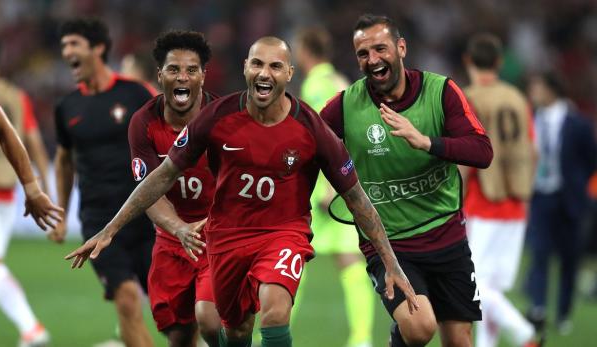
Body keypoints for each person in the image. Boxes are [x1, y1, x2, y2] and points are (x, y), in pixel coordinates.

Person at [66, 36, 419, 347]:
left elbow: (358, 200)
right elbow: (162, 176)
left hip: (284, 233)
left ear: (290, 74)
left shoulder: (311, 127)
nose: (265, 73)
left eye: (276, 66)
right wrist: (110, 229)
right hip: (228, 238)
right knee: (233, 332)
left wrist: (391, 263)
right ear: (245, 68)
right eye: (258, 64)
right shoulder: (216, 117)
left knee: (275, 310)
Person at [322, 14, 492, 347]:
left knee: (460, 340)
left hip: (446, 234)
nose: (372, 60)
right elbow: (306, 141)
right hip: (389, 243)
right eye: (363, 53)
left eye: (380, 49)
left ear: (401, 48)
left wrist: (427, 141)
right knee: (419, 327)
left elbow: (482, 151)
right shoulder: (346, 105)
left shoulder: (441, 91)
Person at [50, 17, 157, 347]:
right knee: (126, 299)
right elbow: (65, 161)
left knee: (175, 307)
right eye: (64, 45)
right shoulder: (67, 107)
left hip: (146, 218)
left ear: (98, 48)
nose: (66, 51)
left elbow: (172, 143)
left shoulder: (137, 93)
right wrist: (62, 214)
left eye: (74, 44)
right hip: (98, 222)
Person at [127, 30, 221, 347]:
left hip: (218, 239)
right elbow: (149, 191)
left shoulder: (225, 121)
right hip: (170, 242)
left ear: (203, 77)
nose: (182, 77)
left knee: (210, 320)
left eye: (191, 70)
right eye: (173, 69)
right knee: (179, 338)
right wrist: (179, 229)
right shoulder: (143, 123)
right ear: (160, 75)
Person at [293, 27, 375, 347]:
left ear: (304, 50)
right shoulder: (341, 81)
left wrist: (329, 187)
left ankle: (272, 334)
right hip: (346, 181)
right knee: (349, 262)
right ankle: (361, 339)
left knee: (293, 259)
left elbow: (329, 136)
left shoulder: (317, 85)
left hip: (325, 189)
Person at [461, 33, 541, 347]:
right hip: (517, 203)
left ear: (468, 61)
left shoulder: (469, 98)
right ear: (499, 62)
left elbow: (465, 158)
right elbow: (533, 152)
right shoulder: (518, 99)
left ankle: (525, 334)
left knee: (475, 286)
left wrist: (456, 202)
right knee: (491, 287)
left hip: (483, 203)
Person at [0, 34, 61, 347]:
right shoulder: (16, 96)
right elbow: (34, 143)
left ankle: (31, 328)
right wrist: (41, 187)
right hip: (7, 192)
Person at [524, 71, 597, 336]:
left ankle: (563, 311)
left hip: (569, 199)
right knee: (539, 253)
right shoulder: (532, 120)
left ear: (552, 89)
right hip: (541, 197)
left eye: (537, 87)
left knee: (569, 259)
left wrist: (577, 186)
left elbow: (591, 159)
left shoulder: (577, 122)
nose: (533, 93)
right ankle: (539, 309)